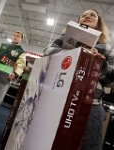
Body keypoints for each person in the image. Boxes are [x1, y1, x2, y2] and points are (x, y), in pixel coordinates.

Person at [44, 9, 113, 150]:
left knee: (90, 145)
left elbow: (112, 81)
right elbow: (47, 52)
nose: (87, 16)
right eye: (84, 15)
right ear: (79, 21)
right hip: (57, 97)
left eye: (92, 15)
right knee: (49, 140)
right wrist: (74, 53)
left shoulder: (107, 48)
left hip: (91, 103)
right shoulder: (64, 38)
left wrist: (99, 64)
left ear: (98, 23)